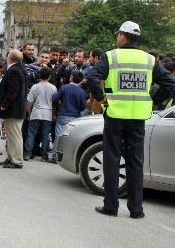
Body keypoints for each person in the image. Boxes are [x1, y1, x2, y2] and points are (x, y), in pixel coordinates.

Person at [88, 21, 175, 219]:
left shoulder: (110, 56)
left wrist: (101, 99)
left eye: (118, 34)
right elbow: (169, 83)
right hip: (138, 118)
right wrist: (153, 100)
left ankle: (111, 206)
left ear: (122, 37)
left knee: (111, 159)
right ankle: (136, 210)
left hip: (115, 115)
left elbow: (93, 77)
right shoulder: (149, 59)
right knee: (136, 162)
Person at [0, 50, 28, 169]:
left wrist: (5, 104)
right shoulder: (20, 68)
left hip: (13, 109)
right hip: (15, 108)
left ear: (9, 58)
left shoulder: (14, 70)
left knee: (15, 135)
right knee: (11, 135)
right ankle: (10, 158)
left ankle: (17, 161)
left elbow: (13, 91)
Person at [51, 70, 87, 163]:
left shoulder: (64, 87)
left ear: (71, 77)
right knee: (70, 137)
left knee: (59, 135)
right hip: (75, 116)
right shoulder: (82, 92)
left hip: (62, 114)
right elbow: (83, 107)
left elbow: (55, 99)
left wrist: (59, 104)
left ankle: (55, 156)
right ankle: (67, 158)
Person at [23, 67, 57, 161]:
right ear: (50, 77)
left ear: (39, 75)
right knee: (45, 135)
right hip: (48, 113)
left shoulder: (35, 87)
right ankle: (44, 155)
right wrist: (53, 114)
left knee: (31, 133)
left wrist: (29, 113)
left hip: (36, 113)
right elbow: (54, 103)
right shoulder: (53, 88)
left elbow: (29, 102)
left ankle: (27, 153)